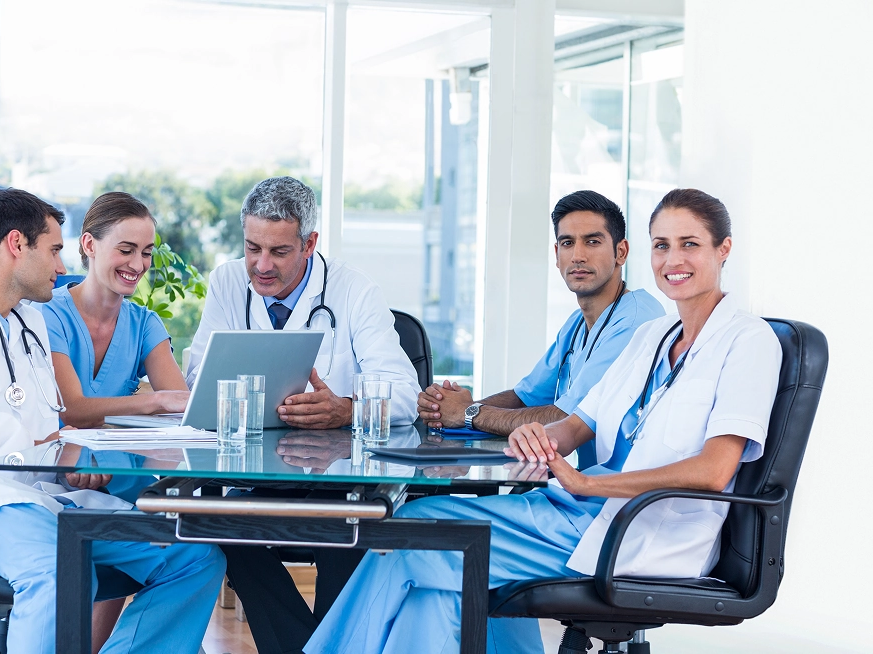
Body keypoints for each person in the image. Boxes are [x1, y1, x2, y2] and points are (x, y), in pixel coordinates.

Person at [304, 188, 783, 654]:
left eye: (689, 244)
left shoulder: (748, 340)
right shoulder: (655, 335)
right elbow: (576, 424)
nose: (673, 259)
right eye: (662, 245)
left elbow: (714, 470)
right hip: (580, 509)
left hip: (639, 531)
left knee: (415, 532)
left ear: (723, 249)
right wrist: (537, 437)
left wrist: (587, 484)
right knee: (439, 588)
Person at [0, 188, 224, 654]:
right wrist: (33, 442)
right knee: (60, 571)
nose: (62, 267)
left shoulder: (29, 321)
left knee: (194, 557)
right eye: (53, 250)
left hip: (38, 495)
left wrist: (70, 463)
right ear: (16, 244)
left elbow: (50, 423)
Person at [185, 176, 421, 654]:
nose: (261, 265)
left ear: (309, 244)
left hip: (340, 475)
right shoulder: (227, 282)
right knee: (217, 523)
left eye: (279, 252)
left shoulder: (355, 291)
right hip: (255, 471)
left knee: (346, 528)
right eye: (252, 248)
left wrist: (344, 409)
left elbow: (405, 393)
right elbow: (197, 375)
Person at [40, 191, 191, 651]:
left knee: (201, 554)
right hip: (56, 478)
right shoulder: (48, 315)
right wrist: (149, 402)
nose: (138, 264)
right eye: (126, 250)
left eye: (146, 252)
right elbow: (71, 407)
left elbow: (180, 407)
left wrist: (163, 402)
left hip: (125, 483)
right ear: (89, 245)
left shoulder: (143, 323)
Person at [419, 191, 664, 468]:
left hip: (618, 488)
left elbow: (565, 418)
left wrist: (468, 413)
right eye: (567, 243)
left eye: (592, 242)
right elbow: (525, 398)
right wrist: (448, 409)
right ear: (557, 255)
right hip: (584, 482)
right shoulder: (576, 324)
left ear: (621, 252)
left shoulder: (636, 320)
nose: (578, 256)